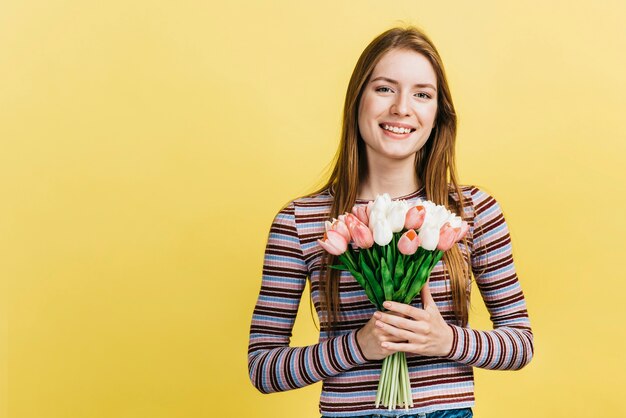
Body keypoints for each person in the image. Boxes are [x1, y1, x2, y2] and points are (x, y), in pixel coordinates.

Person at [248, 26, 534, 418]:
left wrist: (446, 340)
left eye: (422, 94)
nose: (402, 107)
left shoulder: (472, 212)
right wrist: (359, 346)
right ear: (357, 101)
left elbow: (520, 344)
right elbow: (263, 368)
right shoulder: (300, 220)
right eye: (384, 89)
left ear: (437, 114)